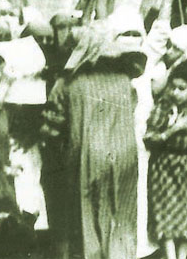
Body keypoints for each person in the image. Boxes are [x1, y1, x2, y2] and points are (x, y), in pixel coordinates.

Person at [42, 23, 146, 259]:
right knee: (121, 217)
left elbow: (52, 129)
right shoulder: (124, 80)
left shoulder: (67, 84)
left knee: (87, 217)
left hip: (86, 157)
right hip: (125, 156)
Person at [144, 60, 187, 259]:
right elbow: (150, 138)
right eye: (173, 87)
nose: (176, 92)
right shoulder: (163, 108)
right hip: (165, 166)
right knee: (166, 215)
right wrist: (174, 128)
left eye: (182, 88)